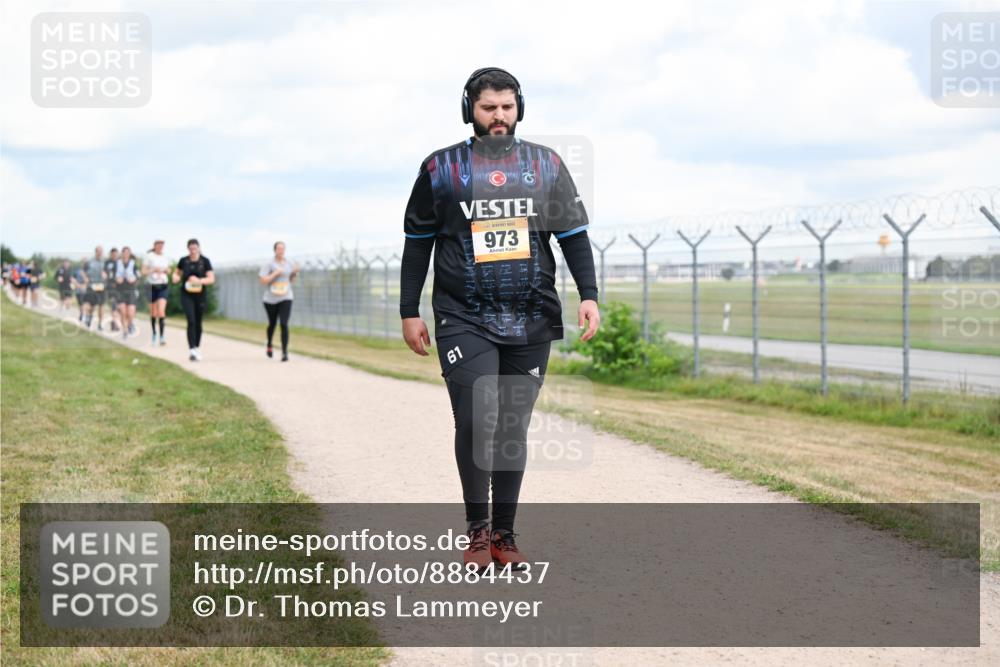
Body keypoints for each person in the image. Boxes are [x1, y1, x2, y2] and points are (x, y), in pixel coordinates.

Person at [399, 68, 600, 571]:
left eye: (507, 107)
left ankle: (505, 537)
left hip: (531, 315)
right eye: (489, 108)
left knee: (511, 424)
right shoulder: (439, 170)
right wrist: (408, 310)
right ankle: (477, 531)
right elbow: (417, 245)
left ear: (520, 107)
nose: (499, 117)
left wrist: (589, 295)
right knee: (475, 417)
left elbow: (572, 234)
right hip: (462, 315)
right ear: (470, 109)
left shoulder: (547, 165)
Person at [171, 238, 214, 361]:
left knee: (198, 322)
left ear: (199, 248)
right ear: (188, 249)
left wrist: (199, 280)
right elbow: (176, 273)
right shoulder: (183, 261)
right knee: (191, 321)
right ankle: (192, 349)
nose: (193, 251)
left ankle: (197, 347)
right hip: (186, 294)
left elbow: (211, 279)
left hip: (200, 295)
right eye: (191, 249)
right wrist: (175, 278)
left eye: (195, 248)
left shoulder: (205, 261)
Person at [258, 241, 299, 362]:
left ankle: (284, 352)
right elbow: (263, 281)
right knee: (272, 324)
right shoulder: (269, 264)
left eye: (282, 249)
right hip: (271, 299)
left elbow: (292, 280)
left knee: (284, 324)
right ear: (275, 250)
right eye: (278, 249)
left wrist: (295, 272)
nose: (281, 251)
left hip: (286, 296)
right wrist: (275, 273)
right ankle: (269, 343)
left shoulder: (289, 263)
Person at [142, 240, 171, 346]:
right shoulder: (149, 256)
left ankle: (162, 337)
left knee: (161, 311)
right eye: (158, 245)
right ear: (155, 246)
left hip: (163, 285)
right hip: (151, 286)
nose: (160, 247)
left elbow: (169, 270)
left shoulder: (165, 257)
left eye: (162, 245)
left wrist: (166, 271)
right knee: (154, 312)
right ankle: (154, 334)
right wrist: (153, 270)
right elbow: (143, 272)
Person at [115, 246, 140, 339]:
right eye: (124, 252)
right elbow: (112, 275)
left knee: (131, 312)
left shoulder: (133, 264)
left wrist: (133, 280)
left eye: (127, 252)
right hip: (120, 290)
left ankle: (130, 324)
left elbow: (138, 277)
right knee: (123, 312)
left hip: (130, 289)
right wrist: (117, 279)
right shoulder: (117, 264)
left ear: (129, 254)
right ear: (122, 254)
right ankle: (125, 331)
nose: (125, 254)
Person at [82, 246, 108, 329]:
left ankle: (100, 324)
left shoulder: (104, 262)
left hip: (101, 286)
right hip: (91, 285)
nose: (100, 253)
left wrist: (106, 274)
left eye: (102, 251)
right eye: (99, 251)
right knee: (91, 305)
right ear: (96, 252)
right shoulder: (89, 261)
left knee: (101, 305)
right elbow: (83, 271)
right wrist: (85, 278)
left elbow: (108, 272)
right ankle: (89, 316)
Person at [105, 248, 121, 332]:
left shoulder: (120, 262)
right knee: (114, 305)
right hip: (110, 287)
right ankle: (115, 323)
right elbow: (104, 272)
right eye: (113, 254)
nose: (114, 255)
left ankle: (114, 321)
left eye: (116, 254)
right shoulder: (107, 262)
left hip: (120, 288)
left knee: (119, 306)